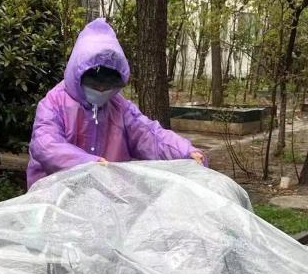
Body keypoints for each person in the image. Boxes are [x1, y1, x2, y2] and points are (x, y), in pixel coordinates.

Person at [27, 18, 205, 188]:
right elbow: (45, 145)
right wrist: (87, 164)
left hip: (108, 194)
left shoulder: (119, 107)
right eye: (95, 83)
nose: (101, 90)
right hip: (58, 195)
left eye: (108, 84)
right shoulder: (54, 103)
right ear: (78, 73)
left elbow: (149, 135)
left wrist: (185, 152)